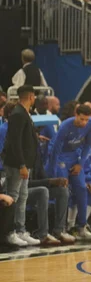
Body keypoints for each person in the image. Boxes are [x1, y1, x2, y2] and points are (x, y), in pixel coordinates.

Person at [46, 104, 91, 240]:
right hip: (60, 157)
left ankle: (82, 227)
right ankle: (61, 228)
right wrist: (52, 172)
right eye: (81, 119)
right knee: (64, 190)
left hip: (75, 156)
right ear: (76, 115)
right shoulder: (65, 126)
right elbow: (55, 149)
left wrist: (80, 164)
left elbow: (88, 146)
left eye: (86, 119)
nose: (84, 123)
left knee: (81, 188)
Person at [2, 85, 38, 246]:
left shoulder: (23, 113)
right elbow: (14, 142)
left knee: (22, 197)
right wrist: (22, 164)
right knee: (13, 197)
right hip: (17, 164)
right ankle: (10, 232)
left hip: (24, 164)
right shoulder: (18, 114)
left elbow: (22, 138)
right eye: (34, 96)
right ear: (31, 96)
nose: (35, 99)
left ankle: (21, 230)